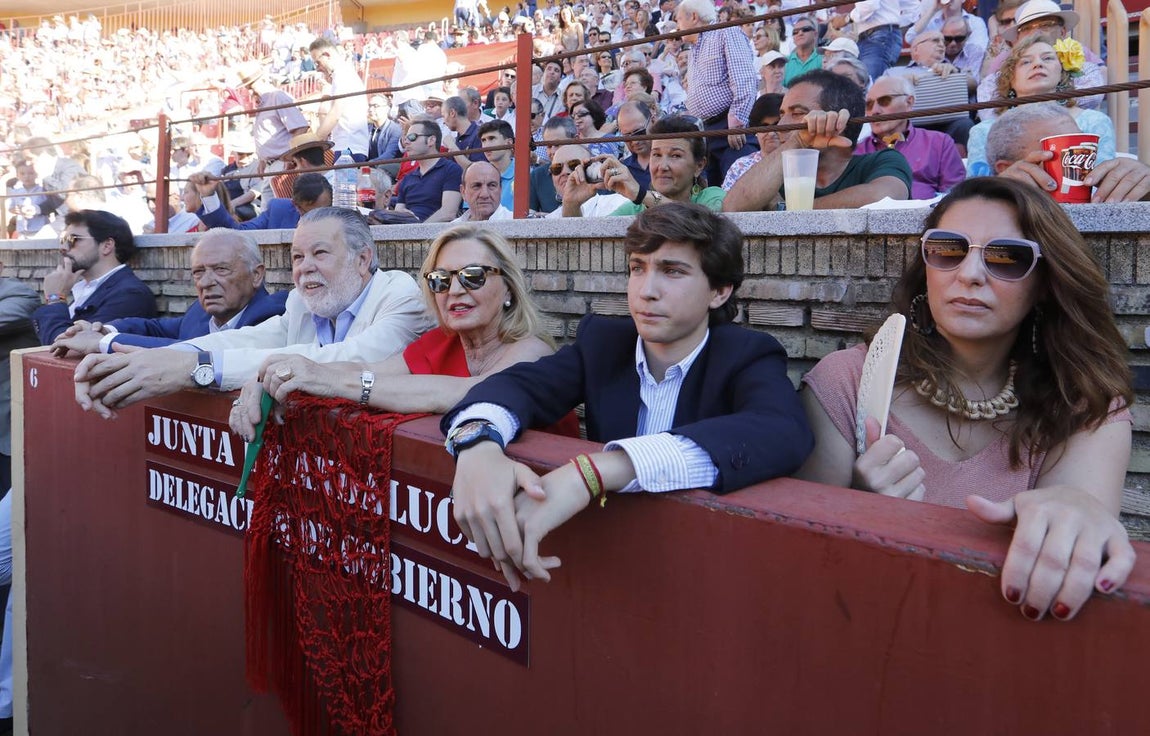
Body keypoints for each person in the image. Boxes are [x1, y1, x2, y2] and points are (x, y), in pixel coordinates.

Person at [796, 177, 1136, 622]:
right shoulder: (848, 382)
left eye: (1007, 258)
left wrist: (1075, 508)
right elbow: (801, 568)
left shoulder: (1082, 402)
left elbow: (1067, 554)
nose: (970, 274)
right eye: (947, 249)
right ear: (927, 268)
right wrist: (861, 507)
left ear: (1045, 285)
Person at [442, 203, 814, 589]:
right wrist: (477, 444)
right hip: (611, 571)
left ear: (719, 291)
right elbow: (515, 385)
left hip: (710, 576)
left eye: (672, 271)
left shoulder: (747, 353)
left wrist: (598, 471)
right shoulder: (603, 343)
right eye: (638, 267)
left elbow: (784, 430)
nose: (646, 290)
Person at [73, 208, 436, 416]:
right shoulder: (300, 301)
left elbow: (341, 360)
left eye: (319, 254)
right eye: (297, 257)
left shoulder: (402, 295)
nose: (304, 268)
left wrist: (196, 370)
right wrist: (167, 357)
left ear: (362, 259)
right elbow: (248, 339)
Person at [231, 225, 577, 439]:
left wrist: (325, 380)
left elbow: (470, 393)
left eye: (472, 275)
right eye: (441, 280)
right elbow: (366, 371)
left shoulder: (532, 351)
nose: (454, 290)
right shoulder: (439, 343)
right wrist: (281, 374)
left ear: (508, 288)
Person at [51, 229, 288, 355]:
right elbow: (158, 328)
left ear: (256, 275)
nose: (206, 282)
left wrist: (104, 342)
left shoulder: (271, 314)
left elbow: (194, 351)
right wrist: (104, 328)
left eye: (221, 269)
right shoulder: (202, 311)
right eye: (198, 272)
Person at [724, 70, 912, 212]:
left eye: (797, 113)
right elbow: (733, 208)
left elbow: (885, 196)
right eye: (782, 114)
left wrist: (786, 211)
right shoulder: (778, 173)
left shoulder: (882, 160)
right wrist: (797, 140)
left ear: (836, 121)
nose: (781, 125)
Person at [966, 36, 1115, 177]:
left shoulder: (1095, 122)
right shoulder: (984, 131)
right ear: (1010, 78)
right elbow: (976, 191)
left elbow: (1103, 186)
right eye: (1025, 62)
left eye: (1048, 58)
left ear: (1061, 73)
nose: (1038, 64)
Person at [560, 116, 727, 217]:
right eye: (656, 155)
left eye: (675, 156)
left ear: (699, 166)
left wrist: (641, 195)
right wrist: (571, 204)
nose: (662, 166)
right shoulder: (634, 209)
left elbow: (705, 226)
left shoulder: (713, 197)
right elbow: (584, 250)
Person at [33, 209, 157, 345]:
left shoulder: (130, 294)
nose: (63, 248)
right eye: (63, 239)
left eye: (73, 240)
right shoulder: (82, 288)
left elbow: (69, 350)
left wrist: (55, 300)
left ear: (107, 246)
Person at [985, 104, 1150, 204]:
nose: (1078, 160)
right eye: (1057, 152)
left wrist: (1144, 190)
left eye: (1080, 144)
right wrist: (998, 196)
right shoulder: (989, 221)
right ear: (1006, 169)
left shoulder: (1106, 196)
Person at [677, 0, 758, 187]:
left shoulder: (726, 31)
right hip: (706, 132)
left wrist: (738, 120)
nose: (677, 26)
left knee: (737, 191)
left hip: (730, 129)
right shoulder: (693, 49)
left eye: (679, 19)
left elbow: (744, 77)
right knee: (712, 194)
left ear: (694, 17)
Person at [855, 75, 966, 200]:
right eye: (869, 104)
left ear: (909, 102)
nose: (874, 111)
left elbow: (955, 196)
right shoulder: (856, 152)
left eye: (884, 101)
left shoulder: (939, 143)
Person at [189, 172, 332, 231]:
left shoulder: (340, 215)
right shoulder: (279, 210)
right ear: (296, 206)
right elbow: (237, 232)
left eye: (324, 211)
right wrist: (208, 195)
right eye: (312, 213)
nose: (318, 218)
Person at [309, 37, 370, 160]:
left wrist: (316, 141)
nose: (317, 68)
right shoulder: (344, 73)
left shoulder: (342, 74)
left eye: (317, 62)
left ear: (326, 55)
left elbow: (335, 113)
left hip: (348, 146)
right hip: (350, 144)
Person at [394, 120, 464, 222]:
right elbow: (398, 212)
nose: (406, 142)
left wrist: (418, 230)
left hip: (435, 234)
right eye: (405, 138)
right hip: (407, 231)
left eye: (412, 137)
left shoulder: (451, 170)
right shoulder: (408, 178)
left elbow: (448, 213)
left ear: (431, 140)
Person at [722, 93, 783, 191]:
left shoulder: (798, 161)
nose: (771, 133)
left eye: (777, 125)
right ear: (756, 131)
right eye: (764, 127)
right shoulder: (740, 167)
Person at [478, 120, 517, 212]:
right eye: (483, 140)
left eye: (491, 138)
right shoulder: (476, 175)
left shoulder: (527, 174)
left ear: (509, 142)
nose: (486, 145)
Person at [783, 16, 823, 87]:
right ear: (793, 38)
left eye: (805, 29)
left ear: (815, 34)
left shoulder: (824, 60)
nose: (800, 33)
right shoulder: (784, 62)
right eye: (795, 32)